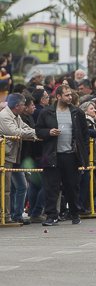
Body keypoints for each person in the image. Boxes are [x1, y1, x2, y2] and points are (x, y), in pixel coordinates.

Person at [35, 86, 88, 225]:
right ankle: (52, 216)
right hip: (52, 155)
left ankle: (75, 213)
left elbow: (84, 134)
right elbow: (38, 130)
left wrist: (84, 153)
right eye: (66, 95)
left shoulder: (77, 112)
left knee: (72, 186)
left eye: (70, 95)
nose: (70, 97)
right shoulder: (47, 112)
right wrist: (48, 132)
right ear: (58, 96)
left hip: (71, 155)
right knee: (51, 187)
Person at [0, 93, 36, 224]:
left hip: (14, 156)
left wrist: (34, 132)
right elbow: (15, 132)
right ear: (17, 106)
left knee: (21, 186)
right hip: (5, 156)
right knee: (6, 188)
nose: (25, 107)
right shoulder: (4, 117)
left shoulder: (16, 116)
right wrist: (34, 133)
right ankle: (6, 216)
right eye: (23, 104)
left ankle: (16, 215)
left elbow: (25, 128)